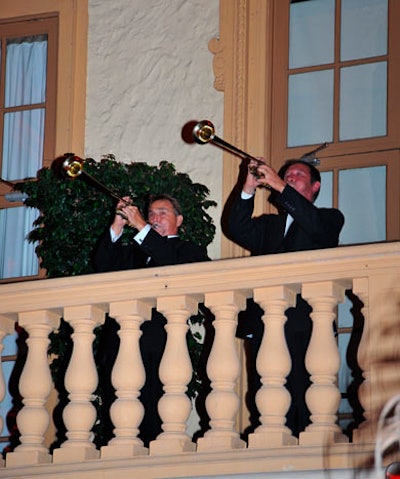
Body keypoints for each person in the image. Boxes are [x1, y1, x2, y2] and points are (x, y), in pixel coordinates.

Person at [225, 158, 345, 437]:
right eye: (286, 174)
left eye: (298, 175)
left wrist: (279, 185)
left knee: (305, 396)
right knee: (265, 395)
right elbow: (237, 228)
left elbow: (317, 229)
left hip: (307, 325)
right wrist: (248, 186)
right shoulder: (269, 225)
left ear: (315, 186)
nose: (290, 177)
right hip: (265, 323)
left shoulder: (329, 217)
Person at [93, 193, 210, 447]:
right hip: (120, 348)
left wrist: (142, 227)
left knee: (153, 423)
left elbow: (174, 267)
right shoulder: (134, 252)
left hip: (159, 351)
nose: (155, 217)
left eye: (162, 213)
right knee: (119, 425)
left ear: (179, 220)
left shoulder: (188, 250)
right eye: (151, 213)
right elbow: (101, 268)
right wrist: (118, 224)